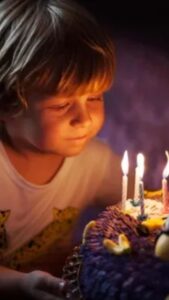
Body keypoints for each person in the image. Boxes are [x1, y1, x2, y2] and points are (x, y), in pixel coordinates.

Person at [0, 0, 133, 299]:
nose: (85, 118)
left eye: (95, 98)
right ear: (6, 103)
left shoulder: (95, 162)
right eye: (61, 105)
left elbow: (144, 207)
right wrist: (19, 284)